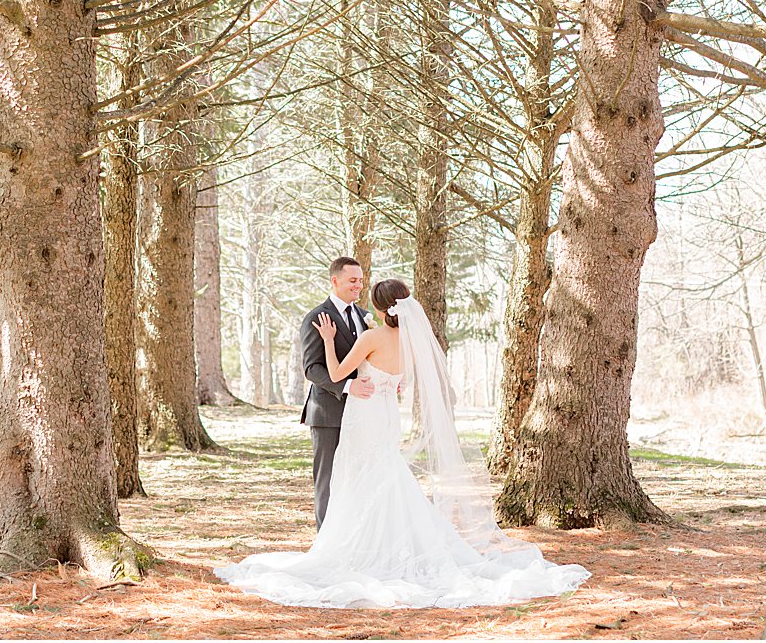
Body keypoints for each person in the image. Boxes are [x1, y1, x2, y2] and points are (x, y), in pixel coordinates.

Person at [214, 278, 589, 609]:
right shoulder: (409, 340)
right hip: (386, 415)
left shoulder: (371, 336)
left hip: (364, 415)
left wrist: (330, 341)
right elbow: (399, 380)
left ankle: (359, 547)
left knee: (360, 475)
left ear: (379, 308)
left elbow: (338, 372)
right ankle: (390, 542)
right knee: (386, 472)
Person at [297, 256, 377, 529]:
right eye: (353, 280)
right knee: (328, 479)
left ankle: (350, 538)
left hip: (361, 412)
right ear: (335, 280)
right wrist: (347, 386)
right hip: (327, 413)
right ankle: (325, 541)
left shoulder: (364, 316)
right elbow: (311, 369)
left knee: (356, 476)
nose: (358, 286)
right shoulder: (316, 317)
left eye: (361, 281)